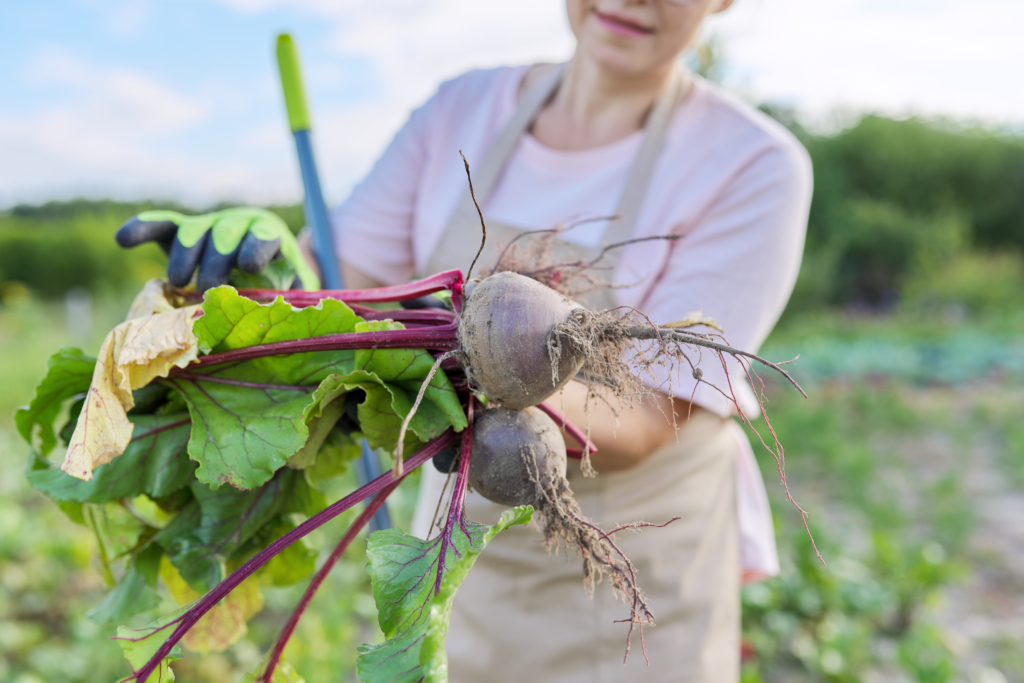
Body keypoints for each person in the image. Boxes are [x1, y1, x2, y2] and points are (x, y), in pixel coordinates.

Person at [117, 1, 811, 680]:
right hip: (464, 530)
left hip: (634, 556)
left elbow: (646, 416)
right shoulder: (462, 109)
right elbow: (341, 282)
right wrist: (263, 271)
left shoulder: (756, 163)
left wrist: (453, 361)